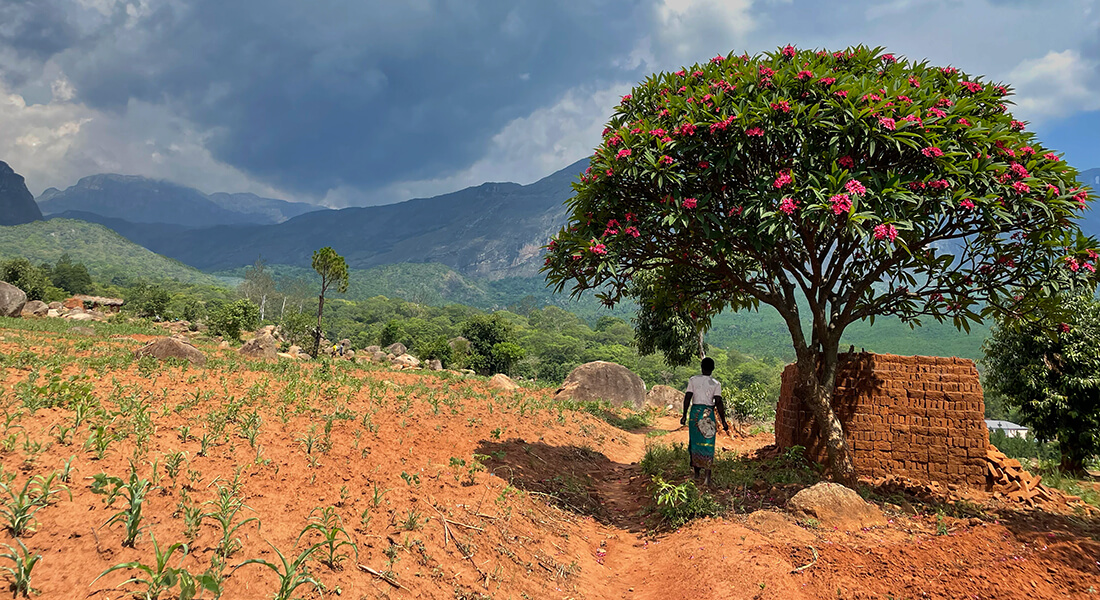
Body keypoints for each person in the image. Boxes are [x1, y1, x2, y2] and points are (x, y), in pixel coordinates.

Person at [680, 357, 730, 486]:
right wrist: (723, 421)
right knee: (708, 443)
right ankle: (707, 477)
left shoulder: (693, 380)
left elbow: (687, 398)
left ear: (701, 367)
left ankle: (696, 474)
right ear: (713, 369)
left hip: (695, 414)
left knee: (695, 443)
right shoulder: (716, 384)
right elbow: (718, 402)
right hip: (708, 415)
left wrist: (684, 415)